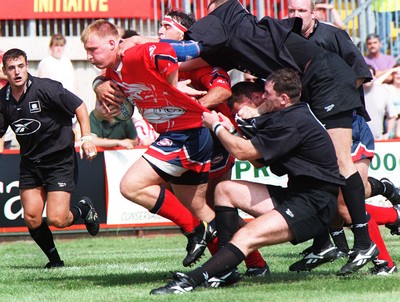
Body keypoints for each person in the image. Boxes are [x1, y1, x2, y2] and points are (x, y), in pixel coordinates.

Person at [165, 0, 376, 275]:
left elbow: (182, 49)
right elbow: (189, 61)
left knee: (340, 163)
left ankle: (364, 241)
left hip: (326, 78)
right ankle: (330, 242)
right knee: (308, 164)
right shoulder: (234, 44)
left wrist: (139, 48)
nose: (209, 20)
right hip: (313, 81)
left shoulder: (229, 15)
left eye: (211, 12)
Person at [150, 68, 344, 295]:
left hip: (314, 205)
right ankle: (224, 272)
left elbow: (242, 153)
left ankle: (191, 281)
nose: (263, 96)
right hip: (297, 194)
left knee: (246, 236)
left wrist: (216, 126)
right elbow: (259, 161)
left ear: (283, 99)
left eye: (267, 92)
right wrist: (232, 128)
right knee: (225, 189)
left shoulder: (293, 121)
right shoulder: (289, 115)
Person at [81, 19, 217, 268]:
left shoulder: (136, 53)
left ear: (113, 43)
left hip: (187, 132)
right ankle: (250, 263)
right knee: (200, 209)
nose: (89, 56)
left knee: (131, 186)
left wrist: (172, 86)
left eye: (93, 50)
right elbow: (108, 87)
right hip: (182, 133)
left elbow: (168, 52)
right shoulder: (112, 72)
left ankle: (195, 231)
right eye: (87, 51)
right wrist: (98, 84)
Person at [0, 48, 100, 268]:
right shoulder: (3, 99)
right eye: (11, 68)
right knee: (32, 218)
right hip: (30, 163)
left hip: (59, 160)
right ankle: (55, 261)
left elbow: (79, 106)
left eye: (21, 66)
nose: (17, 72)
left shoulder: (46, 88)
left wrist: (86, 138)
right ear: (5, 71)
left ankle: (83, 209)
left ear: (27, 66)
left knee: (58, 219)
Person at [364, 66, 397, 139]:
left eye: (370, 75)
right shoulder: (354, 94)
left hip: (378, 140)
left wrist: (389, 133)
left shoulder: (382, 93)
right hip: (358, 142)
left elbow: (392, 115)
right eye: (365, 75)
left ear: (374, 77)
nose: (367, 78)